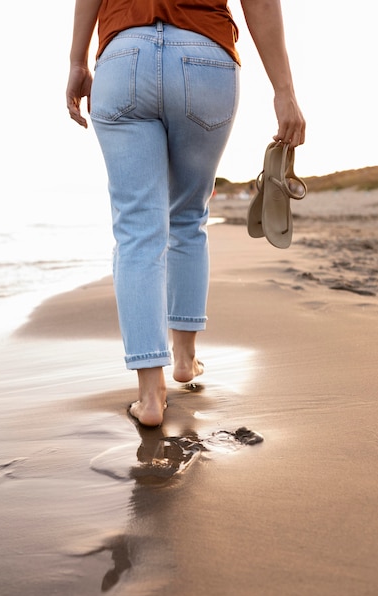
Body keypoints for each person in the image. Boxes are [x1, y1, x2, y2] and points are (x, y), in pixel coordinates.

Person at [66, 0, 305, 427]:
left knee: (139, 231)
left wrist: (77, 61)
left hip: (124, 55)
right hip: (205, 56)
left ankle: (150, 395)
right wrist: (284, 90)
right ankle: (185, 358)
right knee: (189, 217)